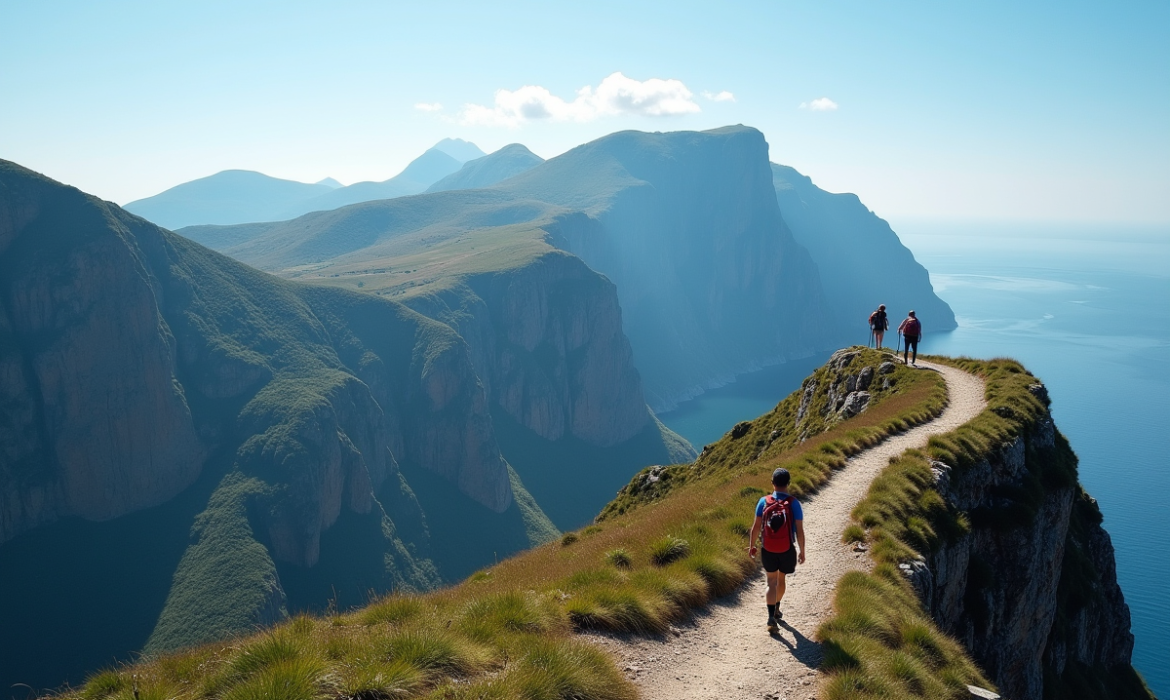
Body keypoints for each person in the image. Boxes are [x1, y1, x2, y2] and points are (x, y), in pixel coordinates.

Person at [747, 468, 806, 632]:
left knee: (771, 582)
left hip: (768, 549)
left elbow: (756, 527)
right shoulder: (793, 503)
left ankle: (771, 616)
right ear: (788, 484)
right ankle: (777, 606)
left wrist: (752, 546)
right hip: (786, 548)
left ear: (772, 483)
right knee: (781, 580)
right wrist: (802, 551)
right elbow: (799, 531)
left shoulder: (763, 502)